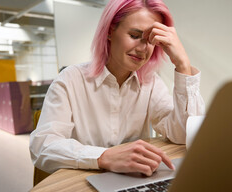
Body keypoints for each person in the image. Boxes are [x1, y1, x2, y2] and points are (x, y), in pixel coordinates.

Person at [30, 0, 205, 177]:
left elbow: (183, 135)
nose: (143, 49)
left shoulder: (151, 83)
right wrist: (102, 157)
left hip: (132, 180)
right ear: (109, 32)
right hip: (82, 182)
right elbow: (43, 146)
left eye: (150, 41)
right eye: (135, 36)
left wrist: (183, 65)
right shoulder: (70, 80)